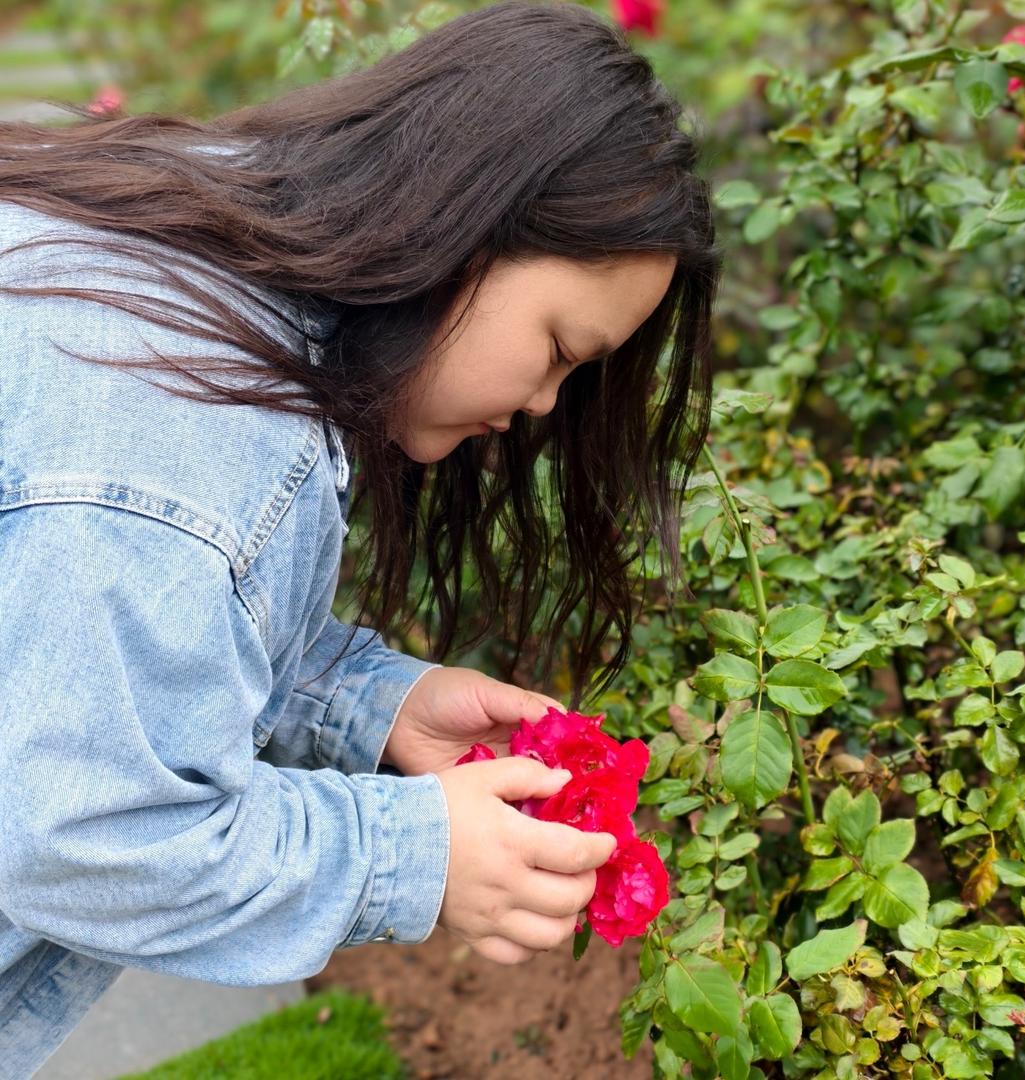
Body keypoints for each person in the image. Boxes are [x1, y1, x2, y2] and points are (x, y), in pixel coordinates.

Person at [0, 0, 717, 1073]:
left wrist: (368, 703)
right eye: (560, 348)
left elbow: (84, 638)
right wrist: (414, 856)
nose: (544, 409)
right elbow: (83, 834)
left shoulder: (192, 257)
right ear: (460, 226)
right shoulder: (187, 437)